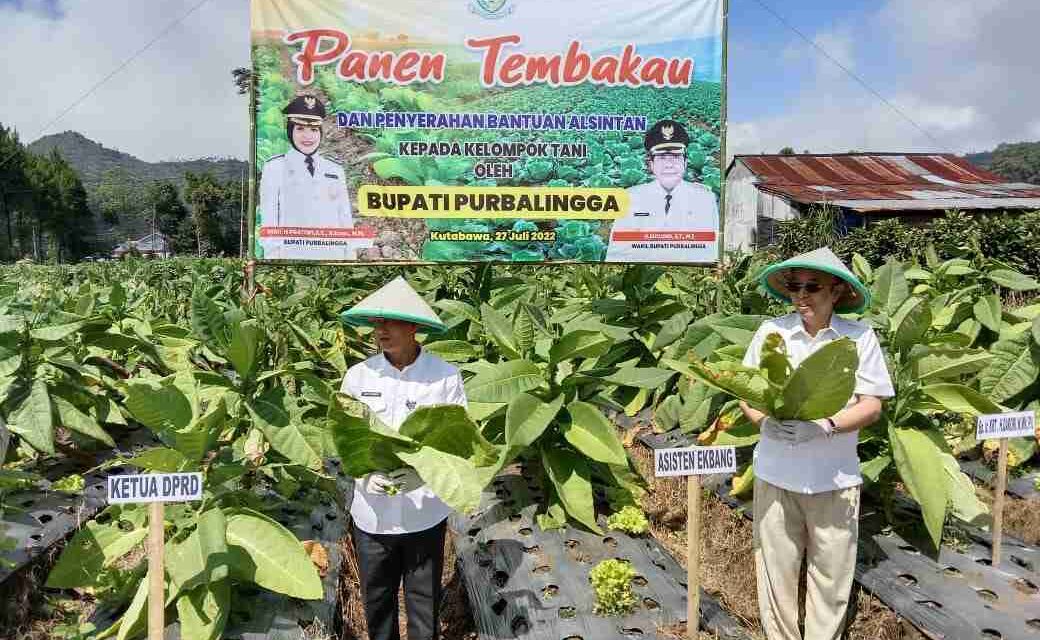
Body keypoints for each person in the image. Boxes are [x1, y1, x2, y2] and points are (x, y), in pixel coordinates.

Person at [739, 247, 894, 640]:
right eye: (794, 287)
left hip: (834, 479)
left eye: (813, 287)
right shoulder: (771, 333)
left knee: (831, 578)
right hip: (775, 474)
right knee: (776, 573)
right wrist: (764, 422)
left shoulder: (858, 338)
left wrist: (826, 425)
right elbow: (747, 393)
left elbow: (872, 405)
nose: (801, 296)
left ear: (837, 291)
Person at [339, 276, 465, 640]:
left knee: (424, 602)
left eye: (390, 322)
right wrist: (361, 475)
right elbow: (344, 437)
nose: (381, 331)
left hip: (424, 509)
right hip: (372, 512)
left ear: (413, 327)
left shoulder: (444, 377)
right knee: (377, 601)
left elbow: (456, 440)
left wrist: (424, 476)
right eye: (377, 324)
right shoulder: (358, 376)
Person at [258, 94, 368, 259]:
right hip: (291, 256)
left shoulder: (335, 169)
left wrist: (350, 251)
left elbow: (344, 214)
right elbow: (269, 216)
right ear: (290, 131)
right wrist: (274, 253)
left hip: (332, 256)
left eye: (314, 130)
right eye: (300, 129)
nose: (308, 136)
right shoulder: (275, 167)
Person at [604, 119, 719, 263]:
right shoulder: (630, 198)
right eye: (662, 157)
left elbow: (711, 254)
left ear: (685, 162)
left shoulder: (704, 199)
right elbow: (616, 256)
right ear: (651, 164)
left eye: (676, 156)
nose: (669, 164)